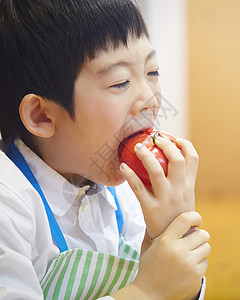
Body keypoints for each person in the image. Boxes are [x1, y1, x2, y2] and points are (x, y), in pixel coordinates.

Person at [0, 0, 211, 299]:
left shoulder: (123, 192)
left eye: (152, 72)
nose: (150, 98)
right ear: (42, 116)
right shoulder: (8, 206)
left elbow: (171, 285)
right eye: (120, 82)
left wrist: (169, 236)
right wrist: (146, 291)